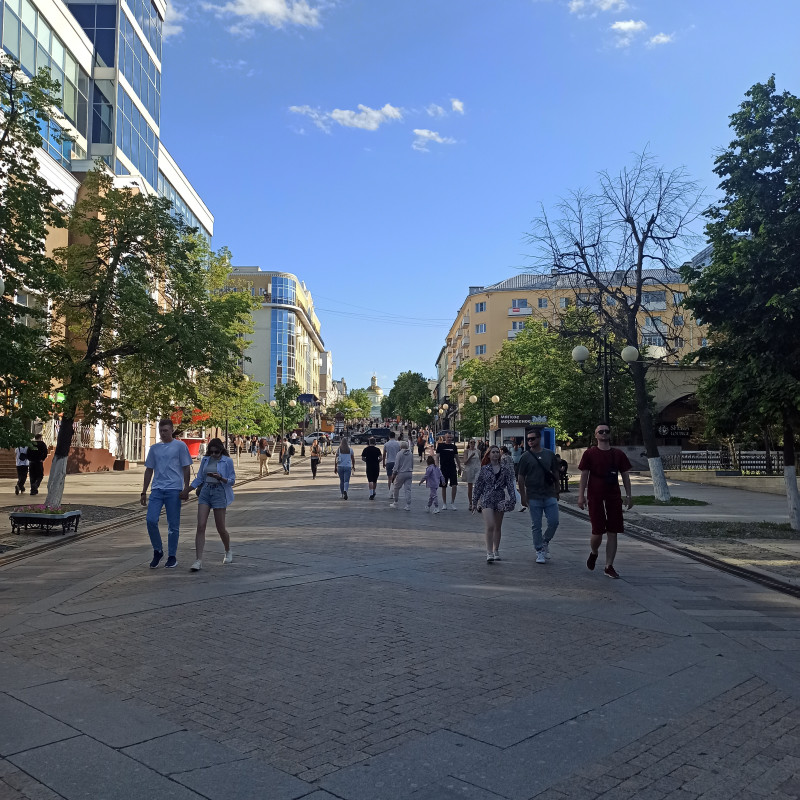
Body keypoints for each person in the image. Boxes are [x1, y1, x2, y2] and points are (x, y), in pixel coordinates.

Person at [578, 424, 633, 579]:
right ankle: (594, 552)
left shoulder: (618, 454)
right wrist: (581, 496)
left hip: (613, 495)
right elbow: (584, 475)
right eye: (600, 431)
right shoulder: (590, 453)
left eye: (606, 431)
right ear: (595, 435)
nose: (603, 433)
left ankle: (609, 566)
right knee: (597, 531)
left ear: (610, 434)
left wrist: (629, 495)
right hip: (595, 495)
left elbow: (625, 475)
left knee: (613, 531)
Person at [141, 419, 192, 569]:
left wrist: (186, 488)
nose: (163, 434)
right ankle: (158, 550)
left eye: (166, 431)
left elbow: (186, 467)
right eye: (161, 431)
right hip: (157, 489)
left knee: (173, 525)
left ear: (171, 430)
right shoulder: (155, 449)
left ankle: (172, 556)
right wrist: (143, 491)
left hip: (174, 490)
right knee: (151, 520)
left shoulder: (180, 446)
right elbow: (149, 470)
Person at [189, 438, 235, 571]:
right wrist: (188, 489)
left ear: (221, 450)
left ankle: (228, 550)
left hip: (219, 492)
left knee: (220, 527)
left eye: (216, 452)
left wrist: (220, 477)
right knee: (201, 525)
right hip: (206, 491)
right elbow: (200, 478)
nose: (214, 454)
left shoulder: (227, 461)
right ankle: (198, 560)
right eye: (211, 452)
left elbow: (232, 480)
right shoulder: (205, 459)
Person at [517, 428, 560, 565]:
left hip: (549, 493)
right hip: (533, 495)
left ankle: (545, 541)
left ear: (539, 438)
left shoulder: (549, 454)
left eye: (532, 438)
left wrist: (557, 489)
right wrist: (523, 496)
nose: (530, 441)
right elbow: (520, 477)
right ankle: (539, 549)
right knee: (536, 524)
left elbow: (555, 472)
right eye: (528, 439)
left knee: (554, 521)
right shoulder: (525, 457)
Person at [472, 445, 516, 562]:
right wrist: (474, 501)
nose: (495, 454)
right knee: (490, 525)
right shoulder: (484, 469)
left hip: (500, 499)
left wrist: (513, 499)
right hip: (487, 498)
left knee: (497, 526)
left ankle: (496, 550)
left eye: (497, 452)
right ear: (489, 455)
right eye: (493, 452)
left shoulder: (505, 469)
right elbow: (478, 486)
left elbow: (510, 485)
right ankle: (489, 552)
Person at [436, 432, 462, 510]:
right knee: (443, 485)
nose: (449, 439)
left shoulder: (454, 447)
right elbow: (437, 457)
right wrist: (437, 467)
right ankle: (444, 503)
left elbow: (457, 457)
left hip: (452, 468)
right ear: (445, 438)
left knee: (454, 485)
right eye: (448, 437)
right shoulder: (440, 446)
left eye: (450, 437)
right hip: (443, 468)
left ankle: (452, 502)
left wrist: (459, 467)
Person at [389, 440, 414, 511]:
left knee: (396, 488)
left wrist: (394, 473)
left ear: (401, 447)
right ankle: (408, 505)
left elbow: (396, 465)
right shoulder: (410, 454)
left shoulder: (399, 454)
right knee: (408, 489)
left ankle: (395, 502)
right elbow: (412, 463)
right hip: (409, 472)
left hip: (401, 473)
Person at [461, 439, 481, 511]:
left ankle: (479, 503)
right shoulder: (466, 451)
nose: (472, 444)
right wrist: (470, 456)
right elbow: (465, 462)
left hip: (477, 468)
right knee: (470, 487)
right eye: (471, 442)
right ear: (469, 443)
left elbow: (480, 460)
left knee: (478, 486)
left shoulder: (478, 451)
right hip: (470, 469)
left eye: (474, 442)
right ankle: (470, 503)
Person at [382, 431, 401, 498]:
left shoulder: (386, 444)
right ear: (394, 436)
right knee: (396, 479)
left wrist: (383, 463)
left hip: (389, 462)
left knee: (390, 478)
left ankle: (391, 493)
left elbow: (384, 454)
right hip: (396, 462)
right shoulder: (398, 444)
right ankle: (395, 492)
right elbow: (400, 454)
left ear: (389, 436)